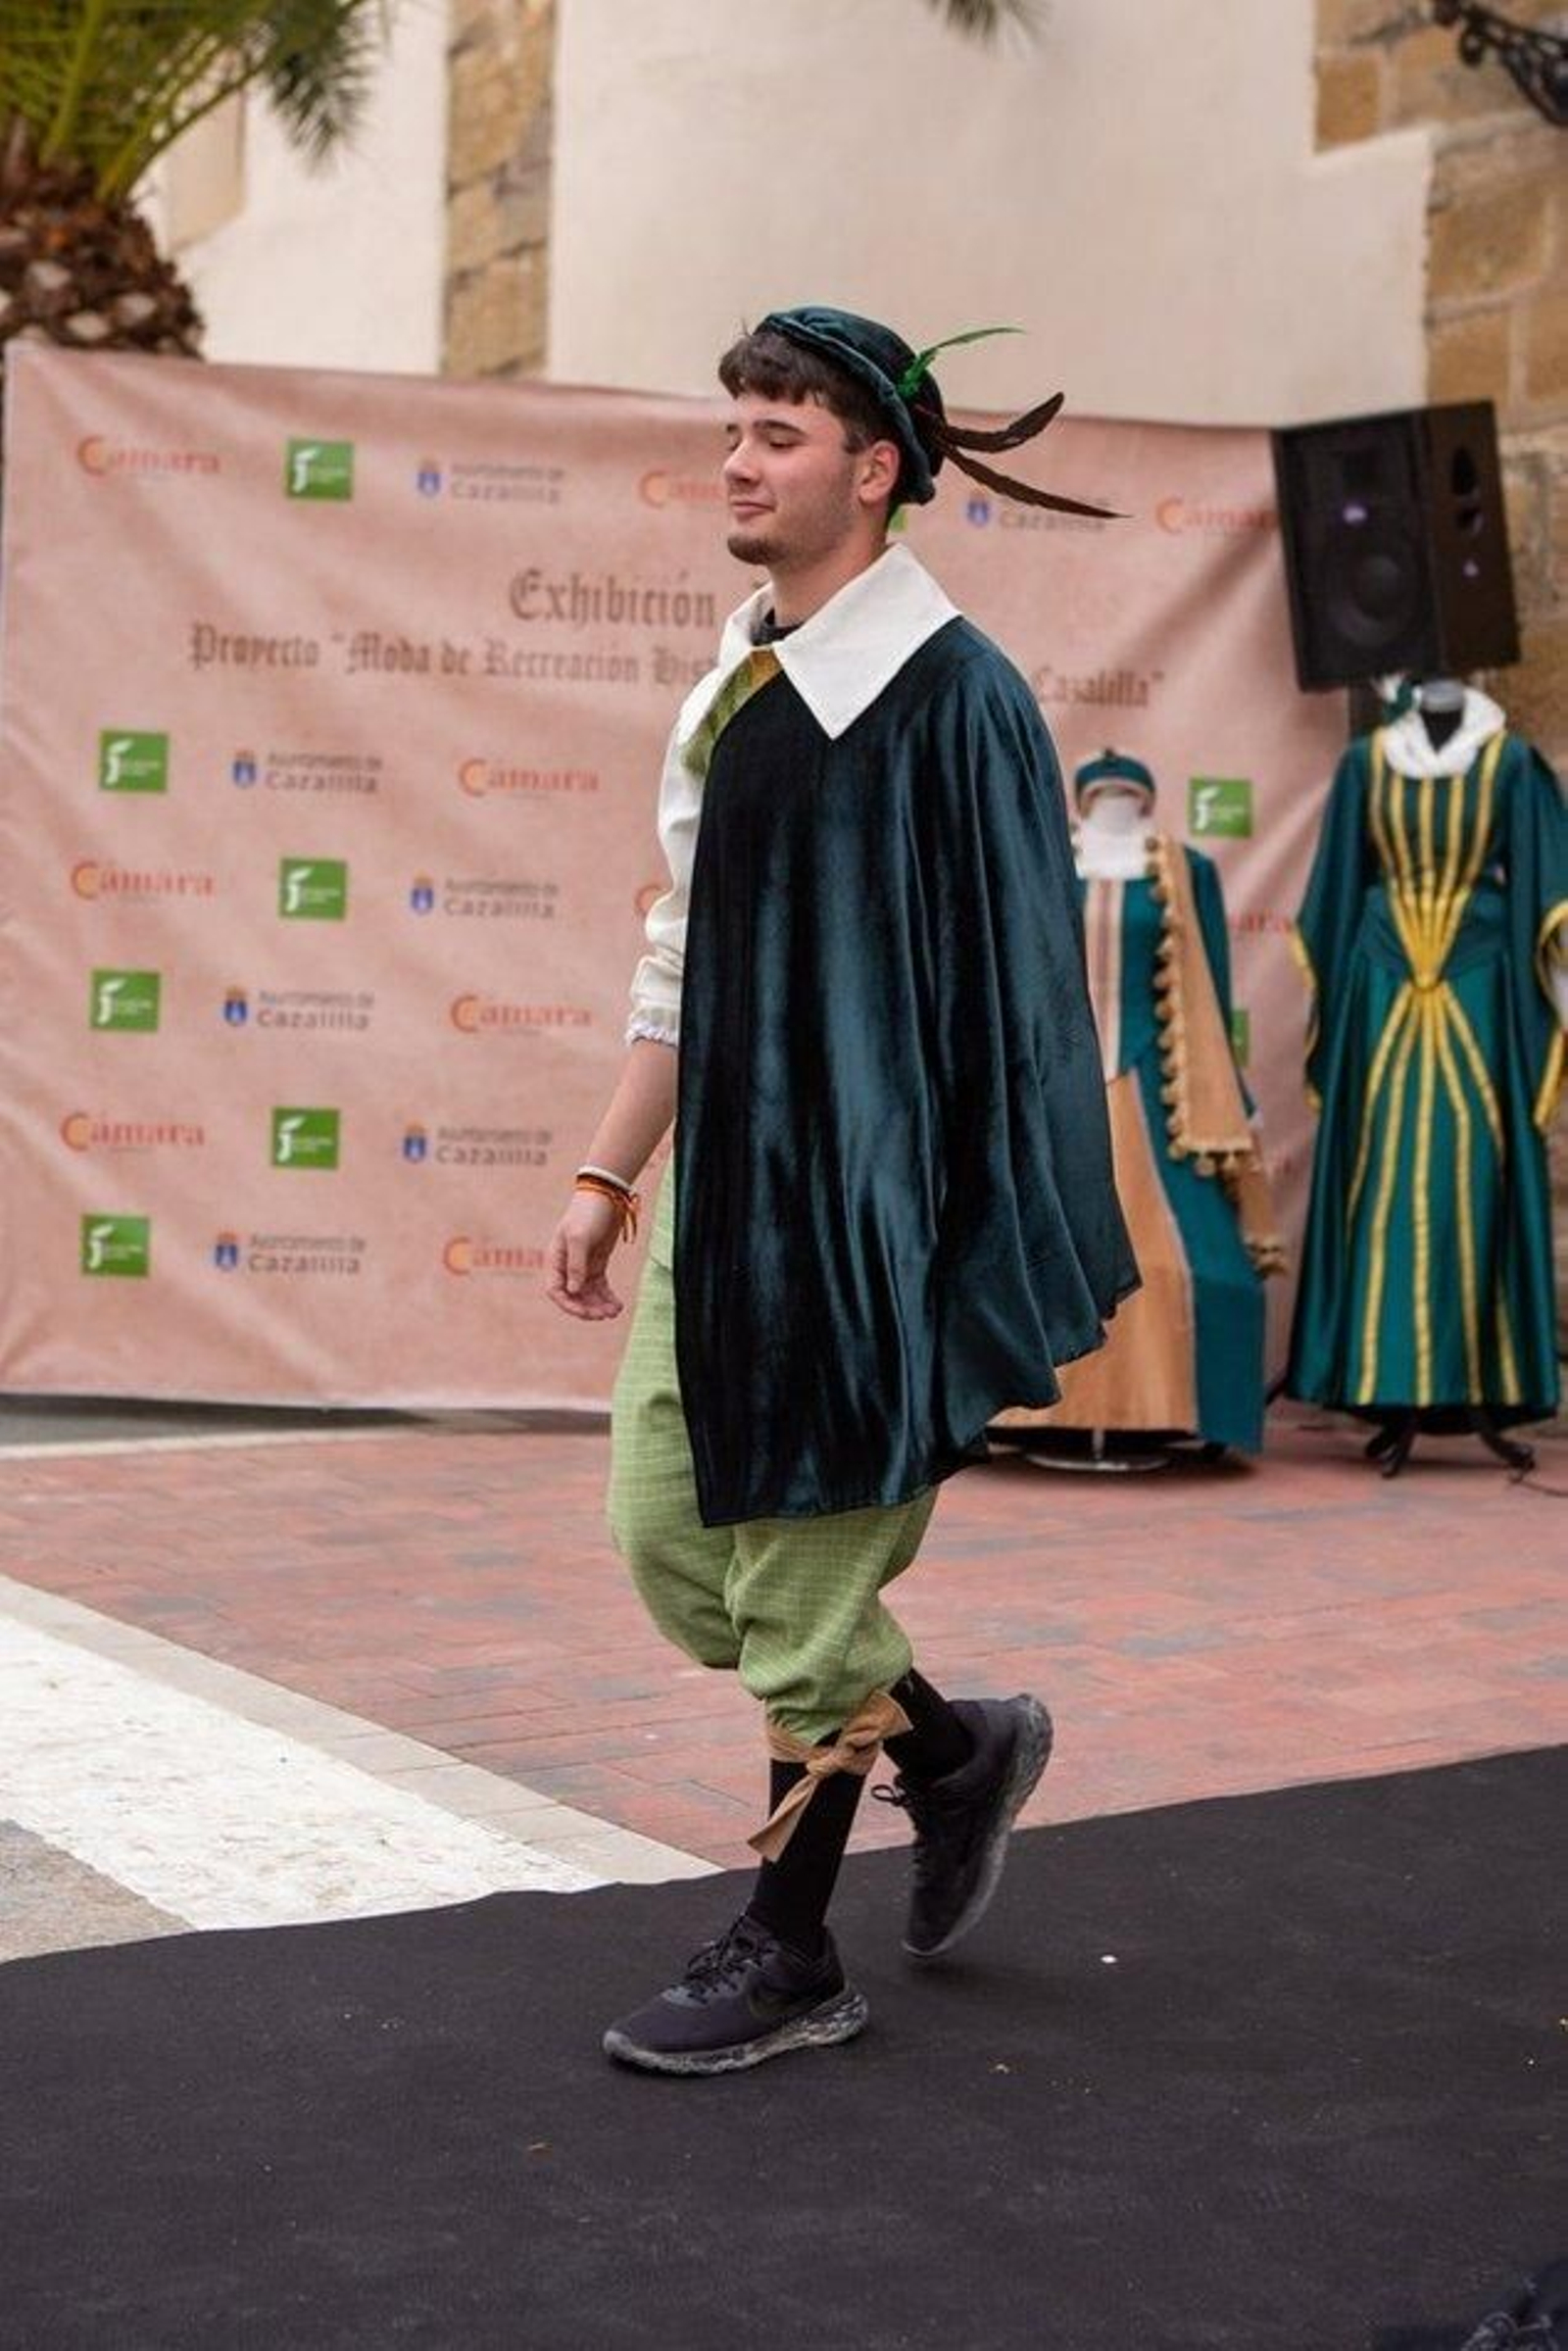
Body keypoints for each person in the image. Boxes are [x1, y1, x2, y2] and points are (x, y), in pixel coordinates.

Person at [545, 306, 1136, 2077]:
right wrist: (606, 1166)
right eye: (733, 427)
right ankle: (954, 1755)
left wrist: (941, 1230)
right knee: (672, 1546)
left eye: (778, 433)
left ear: (875, 472)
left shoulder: (960, 700)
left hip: (866, 1221)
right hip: (724, 1194)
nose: (737, 459)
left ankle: (791, 1951)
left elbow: (1020, 1005)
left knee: (802, 1604)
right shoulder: (731, 682)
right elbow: (681, 964)